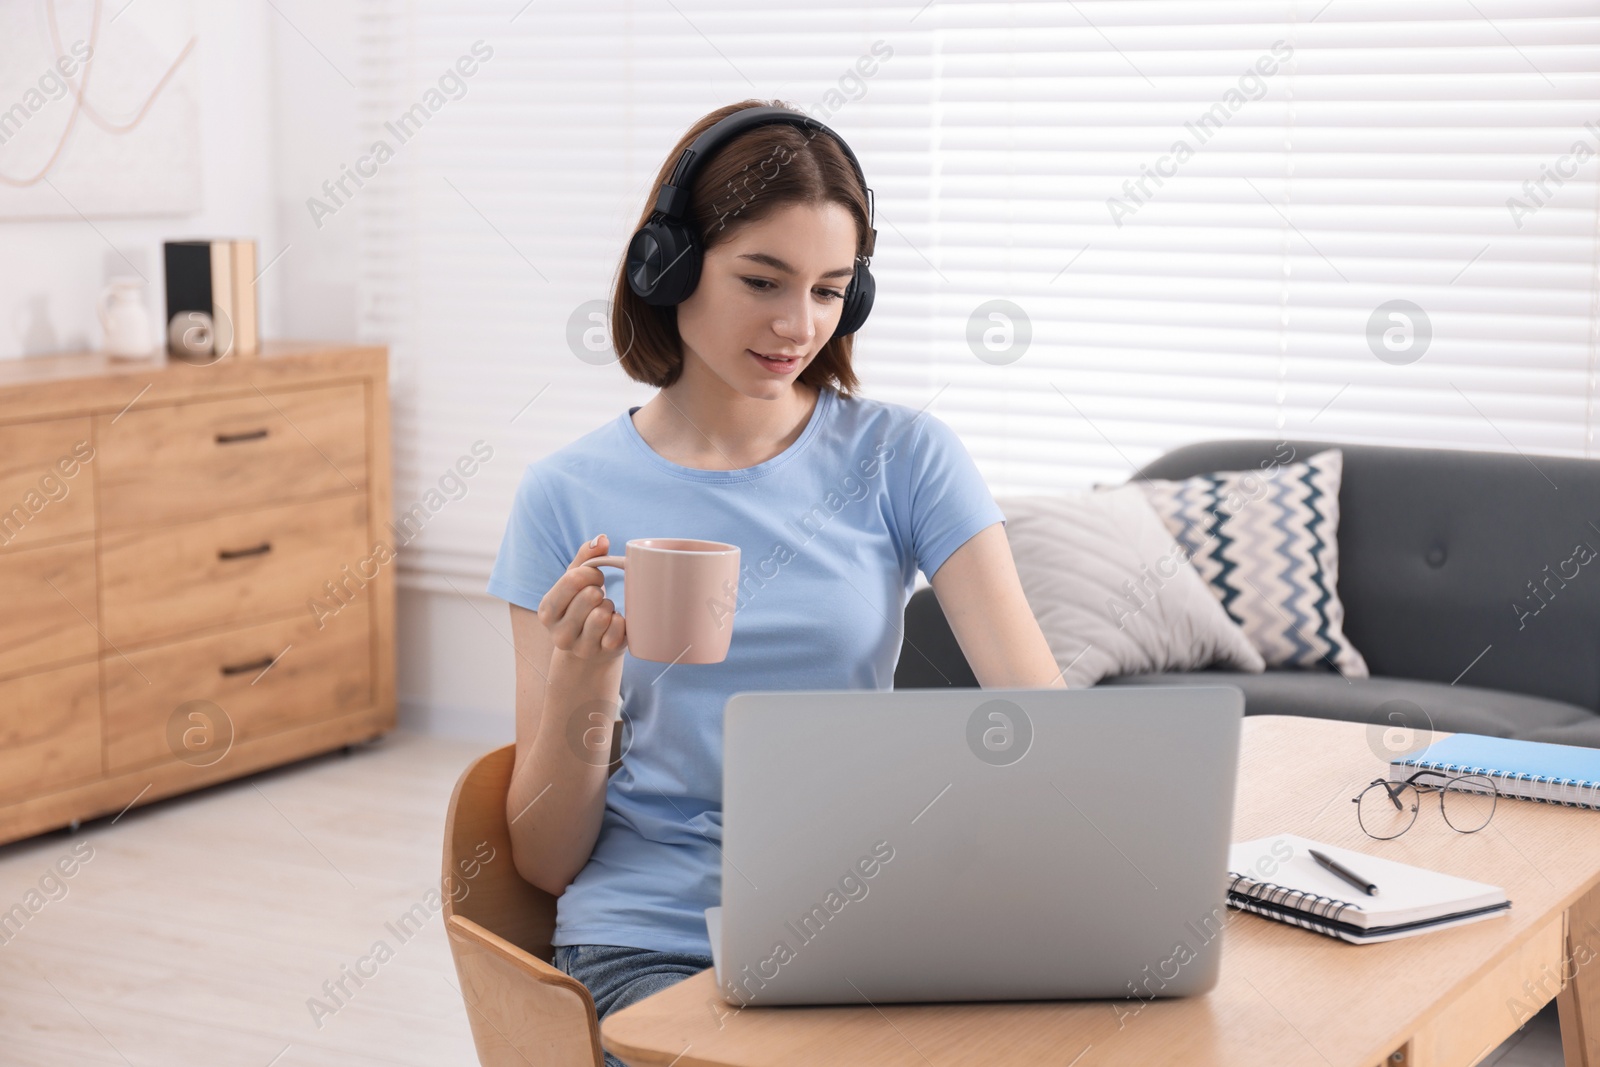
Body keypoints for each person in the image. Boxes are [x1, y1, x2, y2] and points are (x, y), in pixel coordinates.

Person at [486, 98, 1064, 1062]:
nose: (798, 324)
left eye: (832, 290)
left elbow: (1042, 722)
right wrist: (585, 683)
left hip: (872, 924)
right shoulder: (562, 497)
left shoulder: (905, 457)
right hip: (652, 942)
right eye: (763, 279)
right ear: (666, 267)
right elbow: (544, 861)